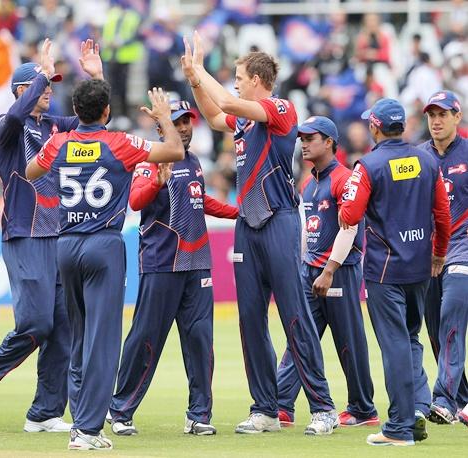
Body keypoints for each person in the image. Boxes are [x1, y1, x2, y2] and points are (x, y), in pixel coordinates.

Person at [181, 32, 338, 435]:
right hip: (246, 227)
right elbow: (217, 117)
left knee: (295, 316)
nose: (234, 81)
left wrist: (201, 70)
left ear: (257, 79)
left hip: (280, 220)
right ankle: (265, 408)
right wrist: (196, 82)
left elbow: (229, 103)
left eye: (238, 75)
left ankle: (323, 407)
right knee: (250, 319)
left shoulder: (281, 107)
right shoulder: (246, 121)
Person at [25, 81, 184, 450]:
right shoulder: (121, 144)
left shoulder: (58, 142)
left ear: (76, 111)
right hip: (104, 245)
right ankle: (88, 430)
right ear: (107, 112)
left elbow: (32, 171)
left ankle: (80, 419)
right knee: (103, 340)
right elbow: (175, 150)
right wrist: (163, 117)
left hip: (66, 245)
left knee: (80, 338)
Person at [0, 38, 103, 433]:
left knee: (63, 327)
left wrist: (96, 78)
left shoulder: (53, 127)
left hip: (57, 234)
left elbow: (93, 123)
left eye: (52, 85)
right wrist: (40, 71)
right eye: (43, 86)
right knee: (36, 323)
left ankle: (44, 412)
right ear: (21, 92)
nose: (50, 91)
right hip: (24, 234)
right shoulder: (4, 126)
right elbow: (13, 118)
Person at [108, 100, 238, 437]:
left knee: (200, 340)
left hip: (198, 265)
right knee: (146, 338)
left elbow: (200, 200)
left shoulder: (193, 161)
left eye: (186, 122)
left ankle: (199, 415)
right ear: (161, 128)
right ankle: (120, 411)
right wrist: (157, 181)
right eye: (176, 123)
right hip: (162, 264)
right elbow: (136, 202)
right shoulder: (150, 159)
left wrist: (238, 213)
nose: (183, 128)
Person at [340, 98, 451, 446]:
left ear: (375, 127)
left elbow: (349, 216)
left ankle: (400, 426)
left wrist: (347, 201)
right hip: (420, 268)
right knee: (410, 339)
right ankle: (416, 408)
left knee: (394, 346)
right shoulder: (427, 159)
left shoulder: (369, 165)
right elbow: (443, 215)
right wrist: (438, 255)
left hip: (384, 271)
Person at [276, 116, 379, 428]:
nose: (304, 144)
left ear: (330, 142)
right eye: (302, 138)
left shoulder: (344, 179)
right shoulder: (309, 183)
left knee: (348, 340)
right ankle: (282, 404)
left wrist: (330, 269)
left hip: (338, 272)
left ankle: (362, 409)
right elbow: (310, 231)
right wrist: (304, 266)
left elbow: (349, 228)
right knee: (299, 337)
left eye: (311, 138)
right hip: (311, 271)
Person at [418, 90, 468, 424]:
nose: (436, 121)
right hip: (428, 255)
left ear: (457, 117)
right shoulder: (418, 156)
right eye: (431, 115)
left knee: (451, 314)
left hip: (463, 247)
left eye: (443, 114)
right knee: (434, 329)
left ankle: (443, 398)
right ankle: (461, 401)